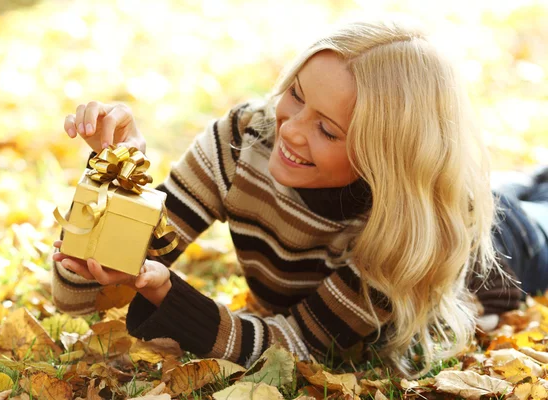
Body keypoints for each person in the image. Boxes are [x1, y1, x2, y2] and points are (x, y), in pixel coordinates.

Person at [51, 19, 547, 377]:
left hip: (505, 247)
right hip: (471, 194)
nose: (289, 130)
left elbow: (296, 348)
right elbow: (81, 298)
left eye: (328, 130)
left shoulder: (401, 233)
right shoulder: (246, 138)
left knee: (526, 207)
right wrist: (118, 179)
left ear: (383, 158)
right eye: (297, 95)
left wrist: (168, 295)